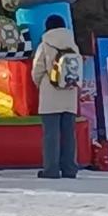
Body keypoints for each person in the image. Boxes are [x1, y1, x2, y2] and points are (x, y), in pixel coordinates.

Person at [31, 14, 80, 179]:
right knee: (69, 134)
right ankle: (70, 168)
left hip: (50, 95)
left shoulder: (45, 44)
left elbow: (37, 69)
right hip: (70, 95)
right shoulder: (73, 44)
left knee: (51, 135)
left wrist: (41, 84)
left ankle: (51, 169)